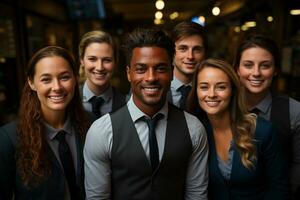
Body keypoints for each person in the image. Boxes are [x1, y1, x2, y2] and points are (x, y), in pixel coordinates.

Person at [84, 28, 209, 200]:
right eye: (141, 69)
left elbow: (197, 196)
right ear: (129, 73)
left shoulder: (194, 128)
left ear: (172, 72)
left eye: (160, 68)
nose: (151, 77)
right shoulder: (101, 132)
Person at [187, 58, 289, 199]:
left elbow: (279, 189)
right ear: (196, 91)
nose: (211, 94)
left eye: (221, 87)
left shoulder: (262, 131)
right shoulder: (195, 132)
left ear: (233, 91)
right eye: (204, 87)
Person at [0, 46, 90, 200]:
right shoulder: (8, 138)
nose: (57, 87)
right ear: (31, 82)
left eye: (64, 77)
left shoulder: (93, 125)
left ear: (75, 78)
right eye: (46, 79)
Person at [233, 34, 300, 199]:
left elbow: (298, 166)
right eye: (248, 65)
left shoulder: (294, 110)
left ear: (276, 69)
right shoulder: (222, 107)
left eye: (265, 66)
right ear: (237, 69)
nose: (256, 73)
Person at [79, 30, 126, 121]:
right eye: (92, 59)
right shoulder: (69, 101)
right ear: (81, 60)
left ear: (116, 62)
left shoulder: (126, 104)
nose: (99, 67)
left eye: (107, 60)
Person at [168, 21, 207, 110]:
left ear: (204, 53)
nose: (190, 56)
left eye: (197, 50)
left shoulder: (210, 92)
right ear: (171, 52)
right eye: (183, 49)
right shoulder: (157, 89)